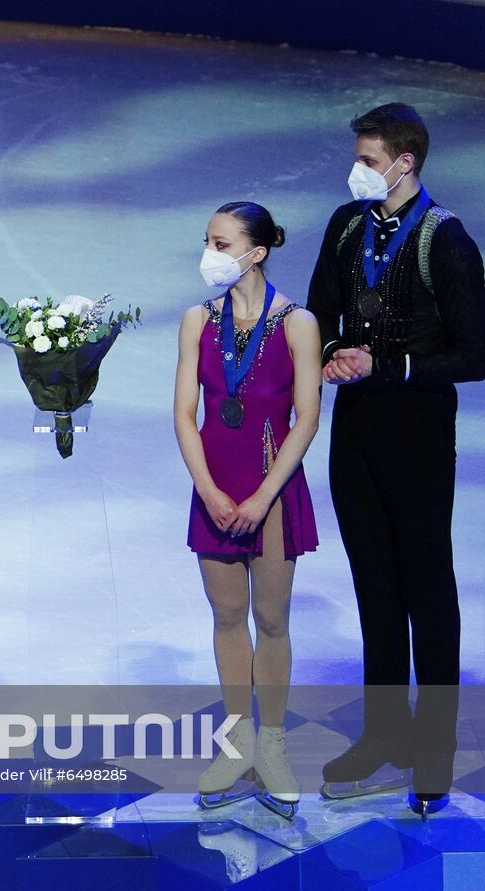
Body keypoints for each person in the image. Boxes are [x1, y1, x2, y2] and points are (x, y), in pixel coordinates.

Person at [307, 103, 485, 816]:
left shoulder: (447, 242)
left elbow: (477, 352)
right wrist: (328, 354)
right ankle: (383, 734)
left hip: (416, 434)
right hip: (355, 433)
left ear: (405, 163)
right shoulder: (348, 226)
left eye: (370, 159)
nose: (358, 169)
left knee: (426, 592)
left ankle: (433, 753)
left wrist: (390, 368)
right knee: (374, 586)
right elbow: (319, 312)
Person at [175, 202, 321, 820]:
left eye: (221, 241)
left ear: (255, 252)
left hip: (272, 488)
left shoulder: (297, 323)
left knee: (272, 618)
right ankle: (235, 743)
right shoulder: (195, 321)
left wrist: (263, 496)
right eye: (207, 240)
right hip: (215, 484)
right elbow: (185, 412)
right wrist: (208, 490)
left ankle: (273, 745)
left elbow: (308, 418)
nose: (209, 252)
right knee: (228, 616)